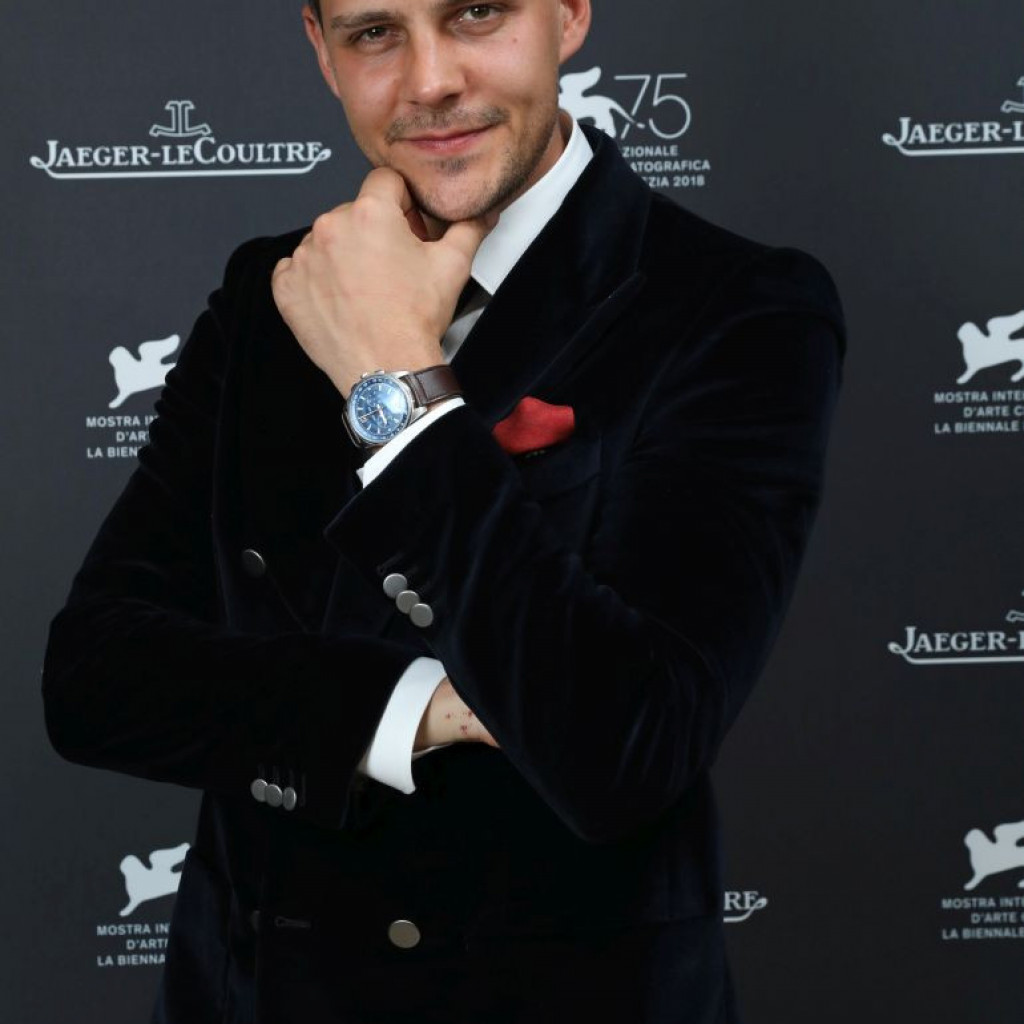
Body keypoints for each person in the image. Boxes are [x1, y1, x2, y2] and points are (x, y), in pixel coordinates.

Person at [42, 1, 845, 1021]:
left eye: (475, 13)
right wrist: (411, 709)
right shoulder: (269, 293)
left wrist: (397, 382)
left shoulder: (737, 306)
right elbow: (94, 678)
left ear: (568, 13)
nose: (429, 81)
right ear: (321, 51)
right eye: (375, 32)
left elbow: (622, 750)